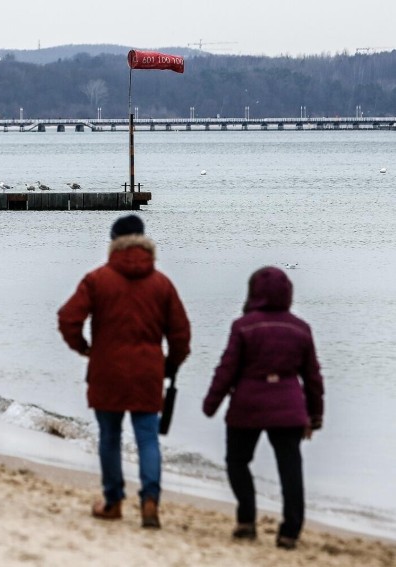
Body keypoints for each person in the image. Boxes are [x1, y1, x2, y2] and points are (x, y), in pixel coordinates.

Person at [57, 214, 190, 528]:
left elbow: (68, 318)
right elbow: (181, 334)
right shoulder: (162, 284)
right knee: (147, 439)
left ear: (113, 242)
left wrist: (84, 348)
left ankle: (114, 501)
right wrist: (169, 365)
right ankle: (150, 501)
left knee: (110, 437)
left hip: (107, 370)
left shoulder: (97, 279)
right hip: (148, 372)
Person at [203, 266, 324, 550]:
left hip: (248, 405)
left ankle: (246, 520)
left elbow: (227, 369)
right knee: (290, 469)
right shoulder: (301, 328)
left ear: (253, 292)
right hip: (289, 407)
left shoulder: (243, 326)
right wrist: (315, 415)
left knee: (237, 461)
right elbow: (313, 378)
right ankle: (289, 532)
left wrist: (212, 402)